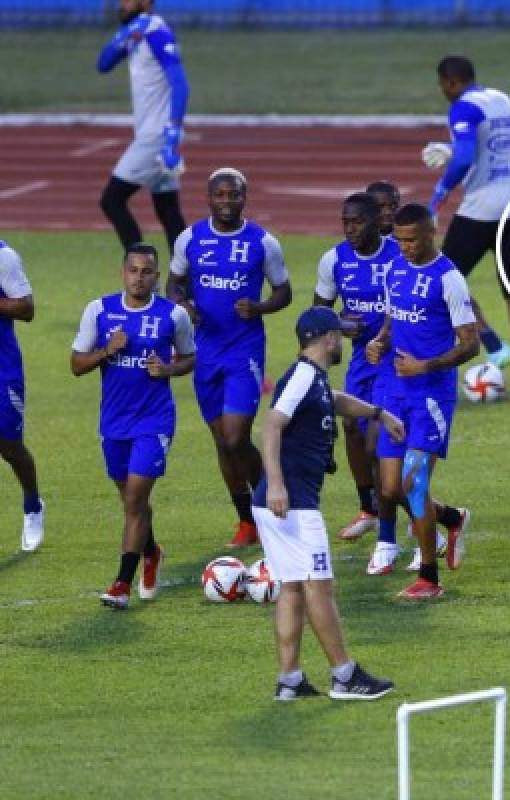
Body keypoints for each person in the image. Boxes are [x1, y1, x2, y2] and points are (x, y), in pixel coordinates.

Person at [255, 305, 397, 700]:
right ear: (329, 339)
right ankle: (345, 676)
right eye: (341, 334)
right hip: (292, 503)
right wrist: (277, 484)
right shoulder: (303, 376)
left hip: (277, 503)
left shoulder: (311, 378)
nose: (344, 341)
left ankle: (289, 681)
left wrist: (379, 414)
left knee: (292, 588)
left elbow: (334, 399)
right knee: (319, 587)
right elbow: (271, 425)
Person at [167, 168, 293, 547]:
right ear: (208, 198)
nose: (226, 202)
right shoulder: (190, 238)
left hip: (244, 350)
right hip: (203, 351)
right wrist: (182, 303)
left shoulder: (263, 243)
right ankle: (247, 522)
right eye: (219, 195)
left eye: (233, 195)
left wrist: (259, 307)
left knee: (237, 438)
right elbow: (174, 282)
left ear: (244, 198)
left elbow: (284, 292)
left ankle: (270, 502)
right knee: (222, 442)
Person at [71, 243, 195, 609]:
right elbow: (76, 365)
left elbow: (189, 358)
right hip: (114, 421)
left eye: (147, 272)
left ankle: (122, 584)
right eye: (133, 270)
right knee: (130, 499)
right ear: (123, 272)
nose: (139, 278)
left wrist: (168, 369)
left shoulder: (174, 315)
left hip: (154, 421)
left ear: (157, 276)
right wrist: (107, 351)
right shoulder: (99, 310)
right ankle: (151, 551)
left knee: (136, 499)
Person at [366, 204, 478, 600]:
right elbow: (393, 317)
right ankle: (452, 518)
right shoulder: (395, 269)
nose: (405, 247)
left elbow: (471, 344)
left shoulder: (449, 279)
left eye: (412, 240)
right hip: (396, 393)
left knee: (413, 484)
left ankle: (429, 579)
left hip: (431, 396)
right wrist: (381, 341)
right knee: (391, 489)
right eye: (399, 240)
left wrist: (424, 365)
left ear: (432, 233)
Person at [427, 55, 510, 390]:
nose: (443, 92)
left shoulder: (462, 107)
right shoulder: (502, 99)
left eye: (442, 85)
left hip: (481, 208)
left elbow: (466, 157)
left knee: (445, 278)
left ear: (451, 82)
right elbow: (491, 145)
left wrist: (439, 193)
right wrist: (451, 148)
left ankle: (493, 344)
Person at [313, 192, 399, 541]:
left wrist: (386, 336)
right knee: (351, 426)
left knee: (379, 439)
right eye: (346, 222)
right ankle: (369, 508)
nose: (350, 229)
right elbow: (318, 316)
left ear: (377, 222)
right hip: (363, 359)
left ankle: (398, 516)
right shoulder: (334, 259)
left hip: (397, 358)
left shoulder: (399, 256)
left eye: (358, 222)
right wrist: (342, 324)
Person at [95, 0, 188, 256]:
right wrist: (124, 35)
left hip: (157, 136)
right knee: (168, 210)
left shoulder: (157, 32)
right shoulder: (137, 33)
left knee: (112, 200)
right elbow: (103, 64)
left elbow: (180, 84)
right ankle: (188, 276)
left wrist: (172, 133)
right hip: (152, 133)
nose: (120, 4)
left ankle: (140, 267)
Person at [0, 241, 44, 552]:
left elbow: (26, 308)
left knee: (9, 446)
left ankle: (32, 503)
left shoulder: (3, 256)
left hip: (2, 368)